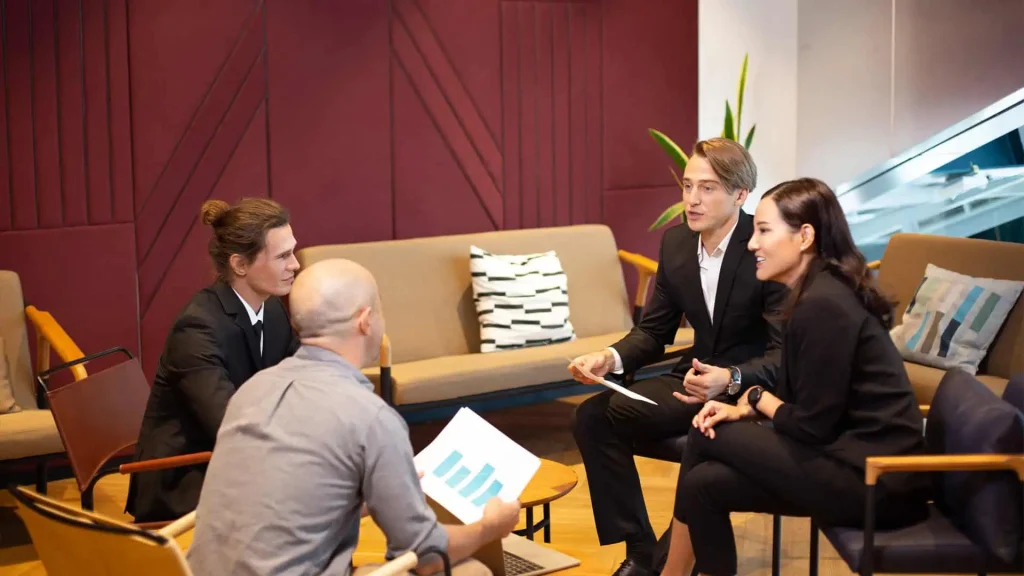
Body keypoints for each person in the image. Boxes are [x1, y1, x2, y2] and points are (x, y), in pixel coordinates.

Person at [660, 178, 931, 576]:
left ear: (805, 236)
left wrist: (754, 399)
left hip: (877, 481)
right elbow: (814, 406)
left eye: (764, 231)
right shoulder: (816, 293)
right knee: (705, 484)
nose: (752, 244)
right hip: (845, 458)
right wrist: (748, 410)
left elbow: (812, 425)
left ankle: (669, 572)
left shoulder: (824, 305)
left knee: (704, 431)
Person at [186, 258, 520, 576]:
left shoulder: (251, 391)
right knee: (473, 570)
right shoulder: (372, 417)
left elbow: (280, 501)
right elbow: (428, 557)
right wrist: (490, 527)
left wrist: (359, 499)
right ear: (365, 320)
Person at [568, 138, 787, 576]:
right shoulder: (676, 246)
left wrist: (729, 379)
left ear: (740, 196)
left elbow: (784, 354)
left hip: (751, 389)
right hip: (693, 377)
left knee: (705, 439)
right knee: (592, 417)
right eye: (687, 186)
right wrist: (608, 358)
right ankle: (641, 549)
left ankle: (674, 560)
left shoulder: (763, 247)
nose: (691, 199)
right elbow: (654, 330)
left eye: (707, 188)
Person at [126, 198, 302, 523]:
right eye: (282, 256)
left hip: (232, 458)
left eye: (292, 252)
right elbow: (228, 424)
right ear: (240, 264)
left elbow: (300, 380)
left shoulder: (272, 308)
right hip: (184, 475)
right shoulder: (197, 328)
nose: (295, 265)